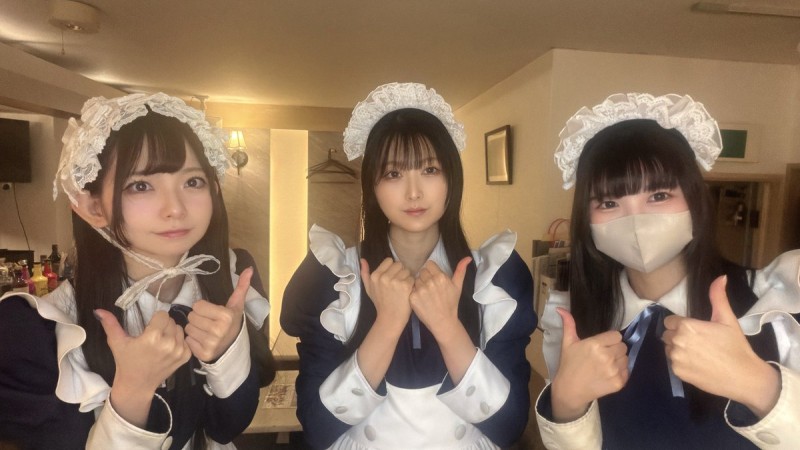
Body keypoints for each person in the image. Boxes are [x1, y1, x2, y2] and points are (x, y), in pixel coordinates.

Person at [0, 93, 275, 449]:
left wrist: (227, 353)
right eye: (141, 186)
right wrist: (133, 390)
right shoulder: (35, 331)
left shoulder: (230, 277)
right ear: (93, 207)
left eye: (193, 182)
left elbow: (226, 427)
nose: (175, 208)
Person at [535, 93, 800, 449]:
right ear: (587, 219)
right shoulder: (573, 320)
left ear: (694, 199)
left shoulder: (774, 302)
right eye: (609, 203)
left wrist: (759, 385)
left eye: (658, 196)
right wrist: (566, 405)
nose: (636, 220)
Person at [280, 82, 537, 449]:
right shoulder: (334, 277)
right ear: (372, 186)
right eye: (393, 174)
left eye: (430, 169)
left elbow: (508, 427)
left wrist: (448, 327)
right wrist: (386, 324)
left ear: (452, 178)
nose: (414, 192)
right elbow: (319, 431)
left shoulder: (494, 276)